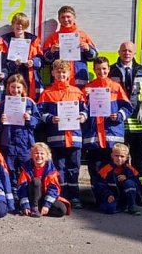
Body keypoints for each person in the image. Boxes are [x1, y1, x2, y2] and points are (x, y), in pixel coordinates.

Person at [38, 60, 87, 209]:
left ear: (69, 73)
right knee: (59, 168)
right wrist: (50, 118)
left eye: (64, 72)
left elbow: (85, 109)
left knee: (74, 168)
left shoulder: (77, 92)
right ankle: (62, 195)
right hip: (56, 138)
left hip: (74, 137)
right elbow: (39, 112)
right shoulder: (47, 93)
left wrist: (83, 116)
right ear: (53, 73)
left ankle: (75, 196)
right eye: (58, 72)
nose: (61, 74)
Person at [109, 41, 142, 205]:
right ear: (119, 52)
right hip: (118, 124)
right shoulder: (112, 70)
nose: (127, 53)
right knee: (119, 161)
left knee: (139, 161)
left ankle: (141, 194)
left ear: (134, 53)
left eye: (130, 51)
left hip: (138, 124)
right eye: (124, 50)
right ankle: (122, 194)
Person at [82, 57, 131, 186]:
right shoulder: (88, 88)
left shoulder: (116, 87)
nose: (101, 72)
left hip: (112, 136)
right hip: (94, 137)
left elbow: (127, 107)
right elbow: (82, 110)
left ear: (109, 69)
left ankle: (116, 198)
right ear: (94, 70)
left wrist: (119, 116)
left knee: (114, 169)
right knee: (95, 169)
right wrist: (85, 97)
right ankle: (100, 199)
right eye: (98, 69)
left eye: (104, 69)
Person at [0, 74, 40, 188]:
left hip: (25, 144)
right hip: (8, 143)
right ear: (8, 87)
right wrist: (1, 120)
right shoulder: (3, 104)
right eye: (12, 87)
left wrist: (29, 119)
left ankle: (25, 196)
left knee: (26, 170)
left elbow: (37, 121)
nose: (15, 90)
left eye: (18, 87)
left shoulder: (29, 102)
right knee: (10, 171)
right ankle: (13, 195)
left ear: (23, 88)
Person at [43, 6, 98, 87]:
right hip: (60, 82)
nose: (65, 20)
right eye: (63, 17)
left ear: (74, 17)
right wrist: (51, 51)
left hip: (79, 80)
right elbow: (45, 59)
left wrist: (88, 49)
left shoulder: (83, 35)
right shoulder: (53, 37)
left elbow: (94, 57)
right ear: (59, 19)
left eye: (68, 17)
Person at [17, 143, 70, 217]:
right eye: (36, 153)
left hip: (43, 197)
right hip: (31, 198)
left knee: (61, 210)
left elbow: (53, 189)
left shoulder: (52, 171)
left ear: (47, 156)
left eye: (42, 153)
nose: (39, 156)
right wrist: (25, 205)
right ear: (32, 155)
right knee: (36, 181)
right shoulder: (26, 169)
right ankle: (34, 208)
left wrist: (47, 205)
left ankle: (39, 210)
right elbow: (22, 188)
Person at [1, 12, 44, 101]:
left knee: (28, 102)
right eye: (17, 23)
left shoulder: (33, 40)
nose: (20, 26)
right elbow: (1, 60)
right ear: (13, 24)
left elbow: (41, 58)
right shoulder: (4, 40)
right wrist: (13, 63)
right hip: (11, 76)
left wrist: (33, 62)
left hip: (29, 76)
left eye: (23, 24)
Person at [92, 143, 141, 215]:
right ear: (112, 156)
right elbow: (99, 185)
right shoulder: (106, 169)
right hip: (112, 197)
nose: (119, 158)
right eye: (116, 156)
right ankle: (121, 207)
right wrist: (108, 195)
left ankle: (131, 206)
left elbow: (137, 183)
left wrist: (127, 177)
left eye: (122, 156)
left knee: (130, 183)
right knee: (109, 209)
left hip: (126, 196)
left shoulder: (130, 169)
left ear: (127, 158)